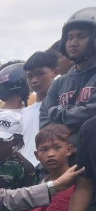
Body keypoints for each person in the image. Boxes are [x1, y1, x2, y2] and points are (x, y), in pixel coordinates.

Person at [40, 8, 96, 144]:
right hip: (62, 161)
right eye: (70, 37)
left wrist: (56, 113)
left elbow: (91, 115)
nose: (73, 43)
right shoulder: (59, 84)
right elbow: (44, 125)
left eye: (81, 36)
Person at [21, 51, 59, 175]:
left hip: (50, 171)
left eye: (40, 74)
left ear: (55, 72)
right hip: (25, 173)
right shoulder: (23, 113)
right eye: (30, 76)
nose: (34, 80)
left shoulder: (60, 109)